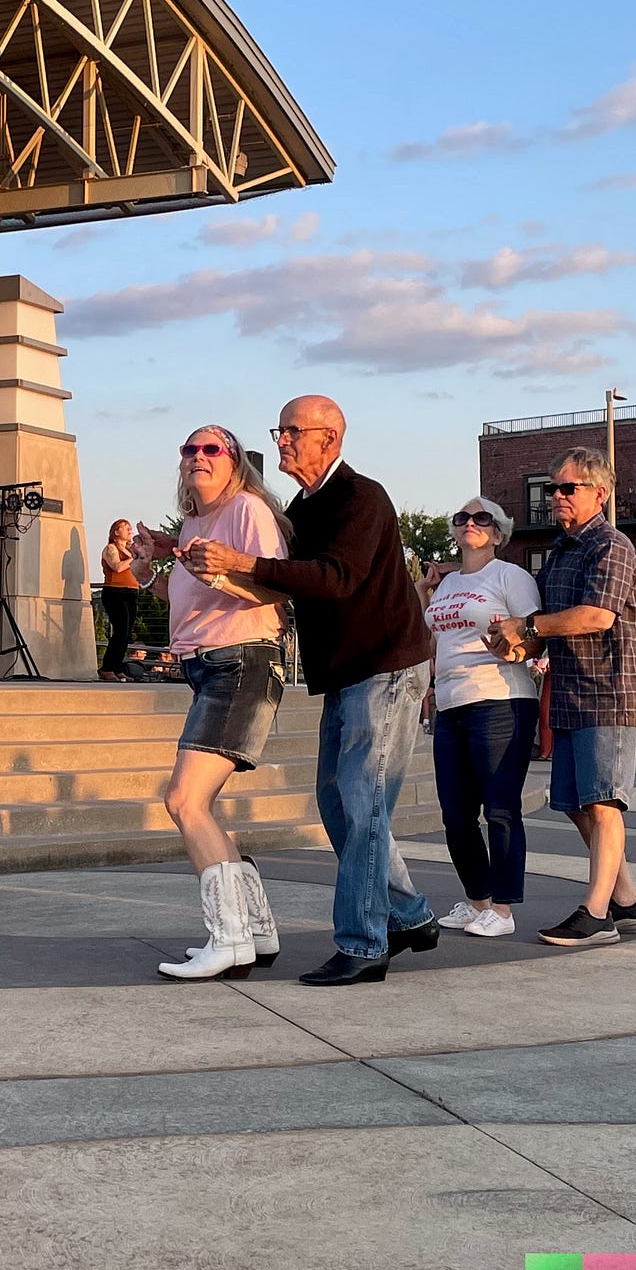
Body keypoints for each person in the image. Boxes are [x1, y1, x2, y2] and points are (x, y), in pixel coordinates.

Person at [216, 396, 436, 986]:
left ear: (330, 439)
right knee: (340, 803)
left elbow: (335, 579)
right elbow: (285, 579)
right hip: (348, 671)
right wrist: (196, 560)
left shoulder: (361, 497)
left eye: (293, 431)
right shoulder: (305, 506)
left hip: (386, 667)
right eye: (280, 430)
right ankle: (409, 916)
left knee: (362, 804)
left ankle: (365, 944)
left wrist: (246, 561)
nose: (282, 440)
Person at [132, 426, 289, 980]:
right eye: (189, 449)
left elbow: (277, 588)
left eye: (211, 450)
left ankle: (228, 940)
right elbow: (182, 594)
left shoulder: (247, 510)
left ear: (235, 463)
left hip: (242, 660)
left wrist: (219, 571)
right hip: (206, 666)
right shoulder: (194, 525)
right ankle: (256, 933)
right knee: (202, 805)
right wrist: (149, 567)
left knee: (183, 801)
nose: (198, 457)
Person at [488, 447, 636, 947]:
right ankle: (628, 901)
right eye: (552, 488)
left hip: (611, 690)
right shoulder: (560, 551)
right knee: (576, 805)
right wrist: (516, 641)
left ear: (598, 493)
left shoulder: (612, 545)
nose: (555, 496)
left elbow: (596, 616)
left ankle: (597, 914)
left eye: (567, 488)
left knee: (603, 803)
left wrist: (529, 625)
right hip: (571, 694)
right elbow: (551, 629)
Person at [420, 498, 540, 938]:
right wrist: (423, 590)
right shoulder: (448, 583)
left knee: (501, 809)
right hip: (451, 705)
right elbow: (427, 637)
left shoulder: (511, 576)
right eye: (462, 518)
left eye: (482, 518)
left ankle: (504, 910)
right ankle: (478, 902)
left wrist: (516, 647)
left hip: (500, 699)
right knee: (455, 813)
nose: (470, 523)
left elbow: (533, 637)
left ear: (499, 533)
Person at [98, 519, 141, 681]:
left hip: (131, 591)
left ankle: (117, 667)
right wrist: (134, 558)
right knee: (120, 630)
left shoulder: (130, 549)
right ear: (116, 531)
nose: (130, 530)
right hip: (115, 591)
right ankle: (107, 667)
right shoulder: (111, 548)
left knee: (127, 633)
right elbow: (117, 567)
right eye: (126, 527)